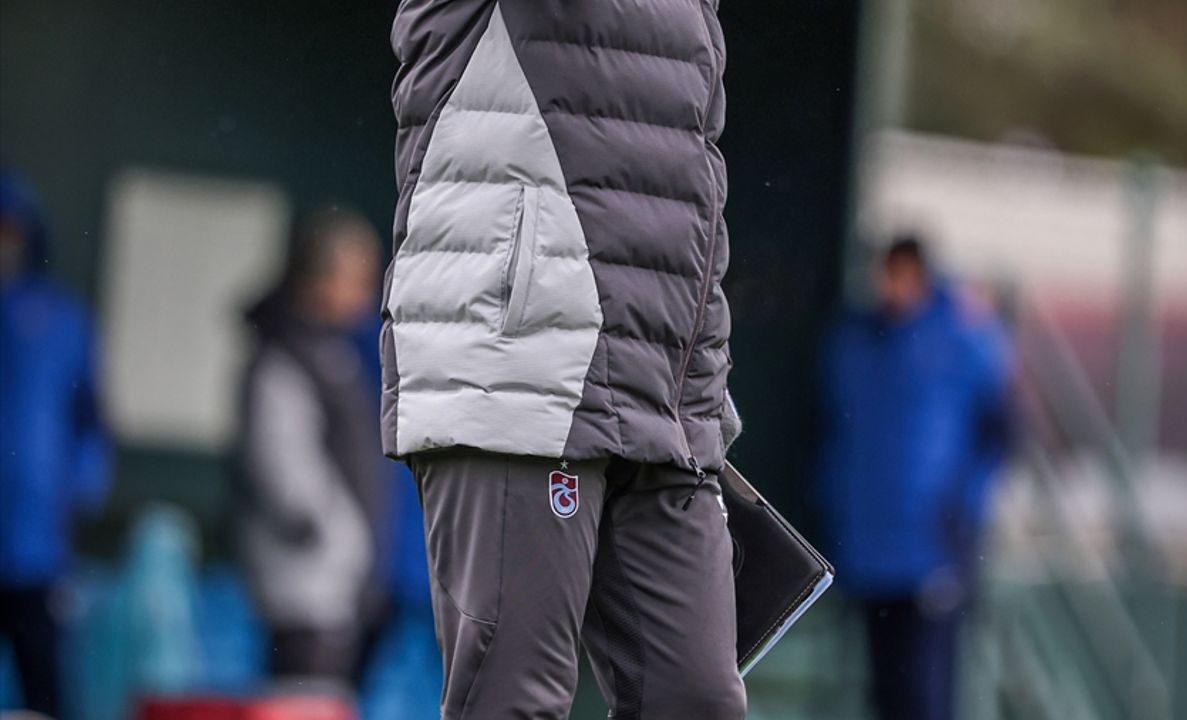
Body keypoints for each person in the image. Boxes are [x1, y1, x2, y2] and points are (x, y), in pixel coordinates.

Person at [381, 2, 745, 717]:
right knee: (513, 700)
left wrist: (701, 381)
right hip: (520, 372)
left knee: (696, 699)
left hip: (665, 397)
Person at [817, 236, 1013, 720]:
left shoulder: (963, 339)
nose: (891, 286)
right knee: (885, 693)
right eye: (886, 274)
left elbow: (1002, 433)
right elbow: (829, 433)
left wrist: (962, 510)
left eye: (901, 274)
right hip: (867, 550)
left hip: (933, 550)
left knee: (925, 695)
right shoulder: (853, 341)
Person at [235, 206, 387, 684]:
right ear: (319, 279)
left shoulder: (335, 349)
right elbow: (282, 466)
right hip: (305, 583)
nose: (366, 295)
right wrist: (336, 539)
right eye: (357, 280)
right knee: (303, 698)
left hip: (337, 582)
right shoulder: (285, 351)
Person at [0, 169, 113, 718]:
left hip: (34, 543)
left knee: (44, 685)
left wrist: (78, 487)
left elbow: (91, 419)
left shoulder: (62, 321)